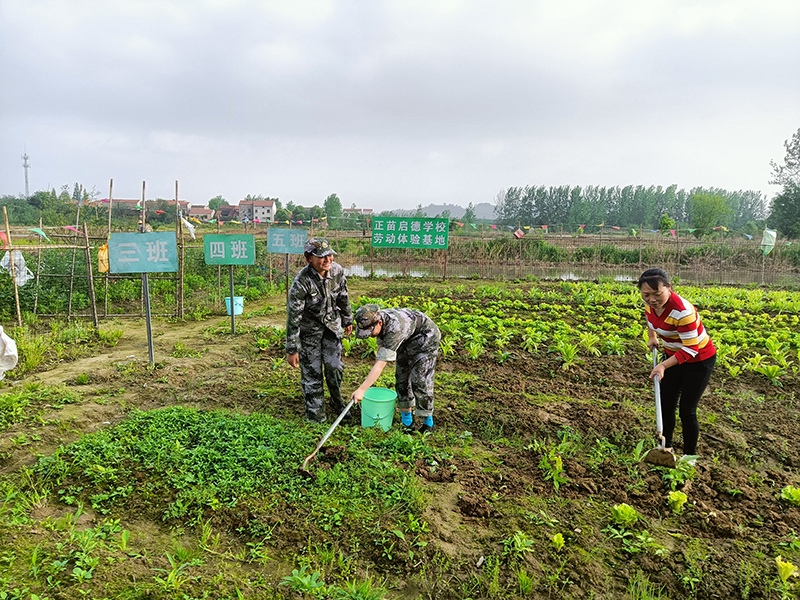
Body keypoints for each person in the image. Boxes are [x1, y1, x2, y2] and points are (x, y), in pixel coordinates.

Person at [637, 268, 716, 460]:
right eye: (646, 294)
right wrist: (652, 336)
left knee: (687, 410)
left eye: (657, 294)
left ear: (669, 288)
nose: (652, 299)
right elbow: (651, 318)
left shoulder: (682, 311)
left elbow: (691, 349)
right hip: (674, 357)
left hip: (699, 360)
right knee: (666, 404)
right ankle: (666, 448)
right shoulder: (649, 304)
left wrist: (663, 365)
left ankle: (690, 458)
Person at [285, 238, 353, 423]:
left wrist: (347, 319)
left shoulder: (337, 271)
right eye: (321, 256)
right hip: (309, 333)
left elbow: (343, 297)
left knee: (334, 367)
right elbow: (294, 317)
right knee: (312, 372)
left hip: (331, 328)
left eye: (329, 255)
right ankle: (316, 414)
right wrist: (292, 349)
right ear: (309, 259)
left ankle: (337, 402)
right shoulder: (301, 282)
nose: (327, 259)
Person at [350, 304, 441, 434]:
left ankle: (428, 424)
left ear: (379, 323)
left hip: (425, 337)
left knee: (420, 380)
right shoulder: (377, 320)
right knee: (402, 378)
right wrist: (371, 377)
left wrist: (362, 389)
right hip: (405, 339)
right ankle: (407, 423)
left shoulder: (394, 328)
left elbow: (381, 364)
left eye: (370, 332)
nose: (369, 335)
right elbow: (381, 352)